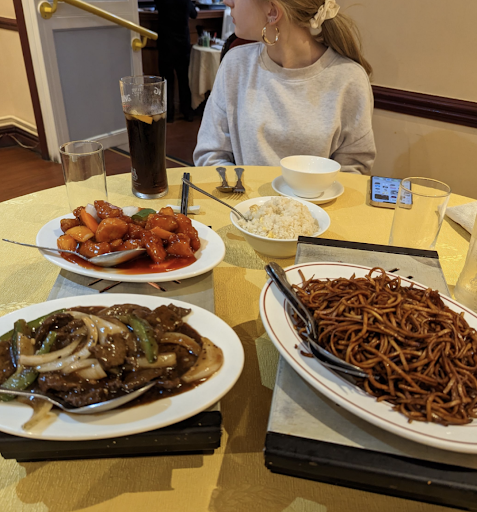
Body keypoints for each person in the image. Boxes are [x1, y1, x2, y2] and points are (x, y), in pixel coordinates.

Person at [193, 0, 376, 174]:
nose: (227, 1)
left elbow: (353, 169)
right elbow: (210, 154)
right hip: (242, 197)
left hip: (319, 198)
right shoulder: (235, 64)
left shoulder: (349, 78)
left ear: (272, 11)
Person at [155, 0, 197, 122]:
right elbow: (194, 14)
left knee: (166, 80)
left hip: (166, 44)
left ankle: (169, 115)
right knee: (183, 79)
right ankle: (187, 112)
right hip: (182, 44)